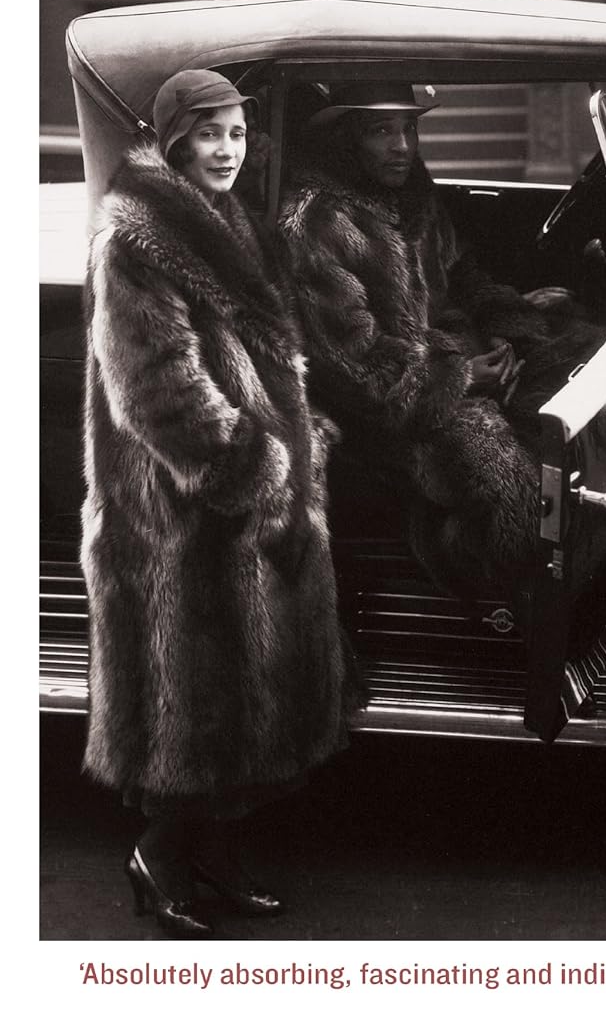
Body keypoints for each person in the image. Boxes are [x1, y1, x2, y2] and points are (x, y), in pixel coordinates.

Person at [81, 68, 357, 939]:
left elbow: (268, 361)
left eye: (237, 133)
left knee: (245, 696)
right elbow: (157, 391)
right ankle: (160, 855)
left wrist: (302, 441)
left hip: (242, 498)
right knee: (190, 703)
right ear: (174, 141)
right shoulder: (137, 239)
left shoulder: (232, 222)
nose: (228, 149)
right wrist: (259, 473)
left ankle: (215, 855)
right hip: (178, 510)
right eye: (210, 134)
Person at [278, 81, 606, 608]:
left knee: (581, 361)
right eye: (381, 130)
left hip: (451, 363)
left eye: (409, 128)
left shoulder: (414, 195)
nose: (402, 147)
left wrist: (503, 329)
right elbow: (353, 366)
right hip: (383, 417)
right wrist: (462, 376)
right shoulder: (317, 221)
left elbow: (463, 277)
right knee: (516, 490)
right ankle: (483, 598)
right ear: (348, 138)